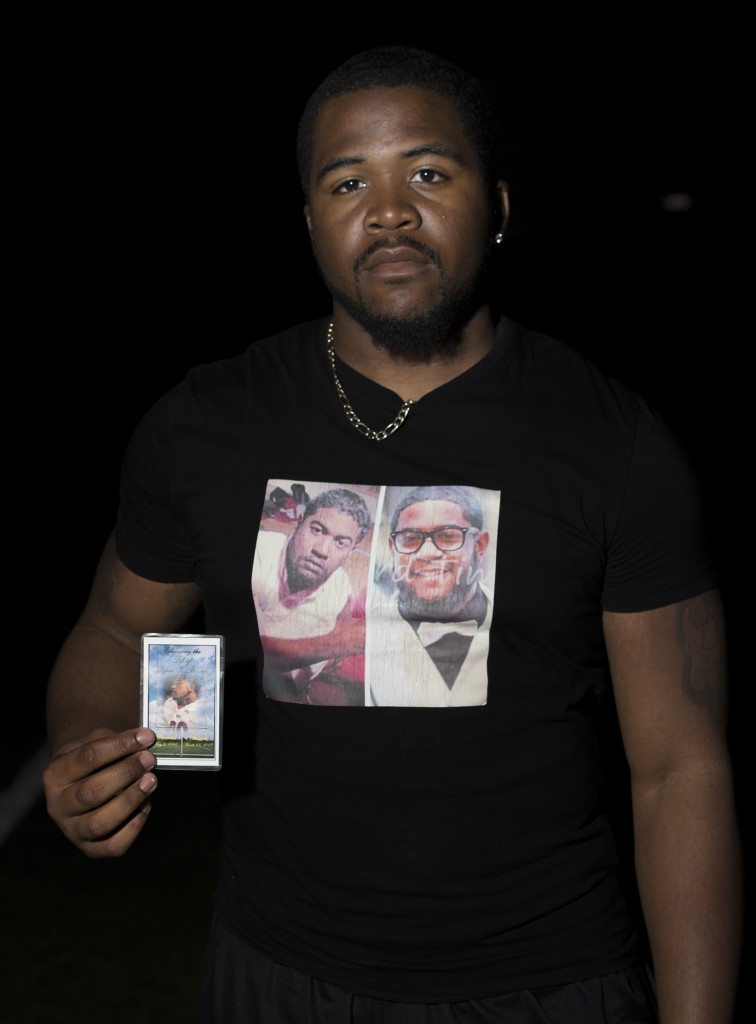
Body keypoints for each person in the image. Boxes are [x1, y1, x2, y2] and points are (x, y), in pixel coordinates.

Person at [42, 44, 742, 1024]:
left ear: (496, 205)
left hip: (548, 983)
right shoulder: (206, 423)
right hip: (272, 973)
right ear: (311, 223)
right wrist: (86, 745)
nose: (388, 210)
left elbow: (680, 768)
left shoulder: (614, 442)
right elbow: (118, 630)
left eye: (426, 171)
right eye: (346, 181)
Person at [367, 484, 496, 707]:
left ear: (480, 545)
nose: (427, 553)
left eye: (447, 536)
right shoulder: (366, 633)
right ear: (392, 548)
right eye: (410, 539)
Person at [253, 484, 374, 704]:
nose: (322, 550)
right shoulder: (258, 556)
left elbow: (299, 682)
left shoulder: (340, 589)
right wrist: (339, 643)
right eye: (317, 530)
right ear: (299, 523)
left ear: (351, 550)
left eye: (340, 542)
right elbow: (245, 651)